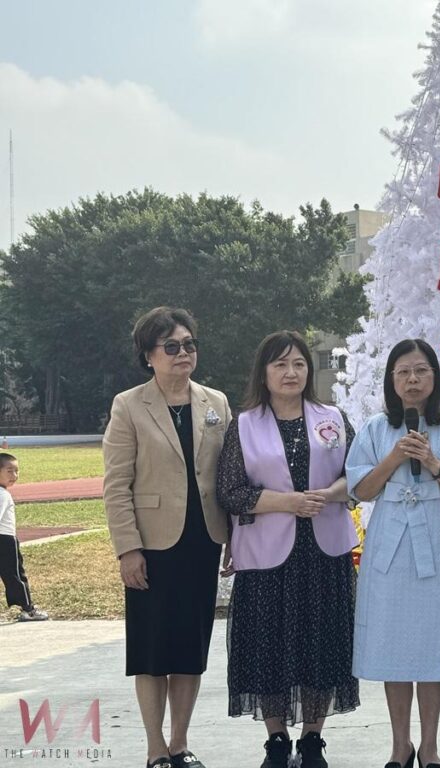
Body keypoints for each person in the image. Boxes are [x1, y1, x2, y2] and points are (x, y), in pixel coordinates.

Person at [216, 331, 360, 768]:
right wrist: (289, 502)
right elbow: (231, 492)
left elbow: (360, 476)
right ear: (263, 372)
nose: (290, 372)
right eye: (280, 364)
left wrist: (328, 495)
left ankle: (313, 740)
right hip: (266, 556)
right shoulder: (244, 425)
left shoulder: (332, 418)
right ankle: (276, 740)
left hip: (324, 553)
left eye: (298, 364)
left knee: (322, 644)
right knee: (268, 647)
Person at [103, 306, 231, 768]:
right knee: (153, 651)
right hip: (152, 548)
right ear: (148, 355)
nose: (183, 353)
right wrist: (128, 549)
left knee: (190, 649)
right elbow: (116, 484)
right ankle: (155, 748)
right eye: (171, 346)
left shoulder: (216, 402)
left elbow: (229, 476)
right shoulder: (129, 405)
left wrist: (235, 538)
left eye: (189, 344)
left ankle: (180, 743)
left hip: (203, 541)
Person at [346, 338, 440, 768]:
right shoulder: (374, 428)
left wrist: (433, 462)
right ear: (391, 380)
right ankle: (399, 745)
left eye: (421, 370)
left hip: (434, 540)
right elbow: (360, 490)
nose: (412, 379)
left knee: (430, 646)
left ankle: (431, 746)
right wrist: (393, 459)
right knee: (393, 647)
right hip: (389, 545)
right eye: (403, 371)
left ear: (435, 377)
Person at [0, 453, 49, 622]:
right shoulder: (3, 495)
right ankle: (28, 609)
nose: (14, 475)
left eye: (16, 471)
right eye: (9, 471)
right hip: (5, 541)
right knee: (16, 575)